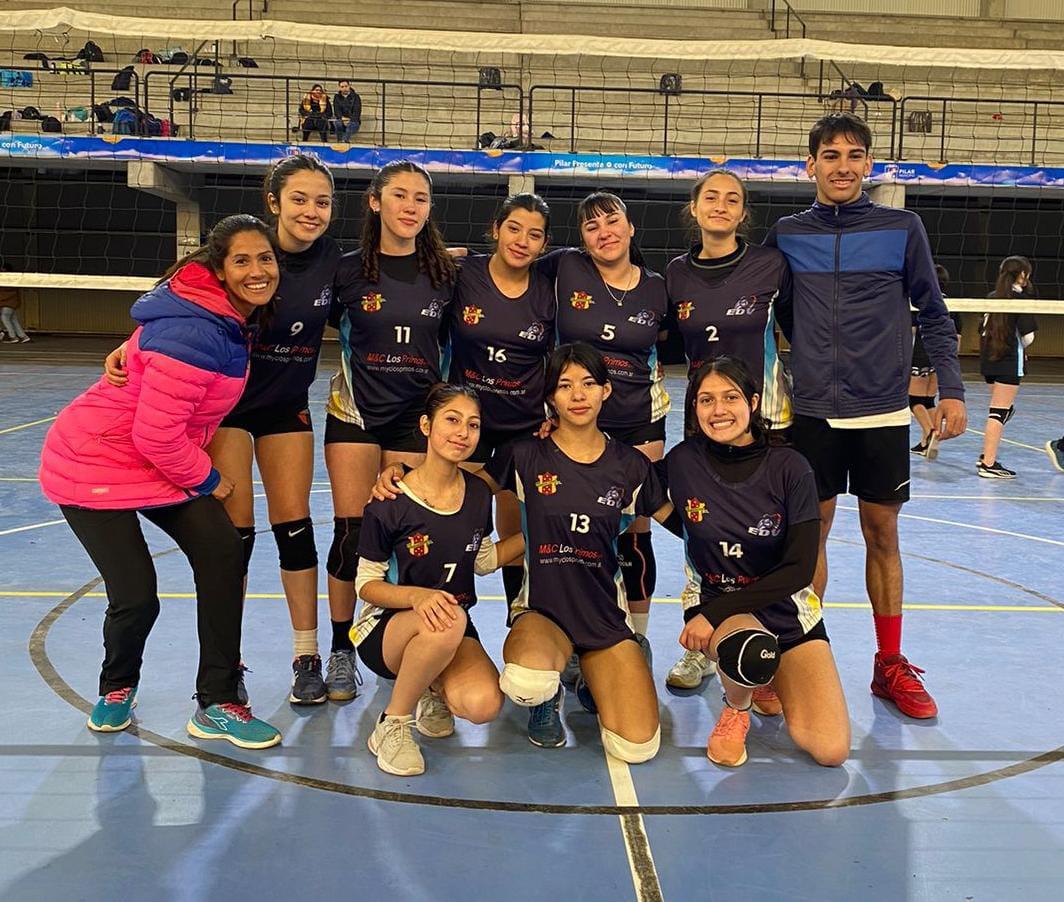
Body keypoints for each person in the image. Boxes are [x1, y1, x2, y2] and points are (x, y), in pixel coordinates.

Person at [106, 154, 345, 706]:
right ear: (274, 201)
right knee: (233, 538)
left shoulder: (335, 262)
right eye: (300, 199)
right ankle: (229, 661)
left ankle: (306, 654)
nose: (311, 211)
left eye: (323, 201)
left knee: (296, 527)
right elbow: (171, 303)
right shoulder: (240, 253)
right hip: (227, 411)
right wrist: (133, 344)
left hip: (285, 408)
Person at [39, 215, 282, 749]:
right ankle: (117, 687)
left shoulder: (211, 313)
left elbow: (151, 354)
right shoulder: (196, 328)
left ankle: (217, 701)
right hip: (92, 463)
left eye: (265, 258)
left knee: (221, 551)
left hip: (151, 464)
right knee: (137, 596)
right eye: (242, 260)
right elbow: (157, 436)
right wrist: (210, 479)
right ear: (218, 270)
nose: (258, 270)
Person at [765, 112, 967, 720]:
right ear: (812, 165)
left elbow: (933, 313)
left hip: (880, 412)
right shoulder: (786, 232)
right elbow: (768, 312)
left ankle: (888, 666)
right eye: (830, 155)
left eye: (855, 155)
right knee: (812, 537)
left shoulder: (902, 227)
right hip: (813, 412)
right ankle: (797, 655)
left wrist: (947, 389)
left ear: (869, 166)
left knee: (883, 535)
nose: (843, 166)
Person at [484, 343, 670, 760]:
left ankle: (591, 670)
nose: (578, 395)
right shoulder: (524, 454)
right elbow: (460, 494)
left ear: (606, 390)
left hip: (604, 616)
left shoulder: (630, 465)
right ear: (551, 396)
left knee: (637, 746)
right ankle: (550, 690)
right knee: (527, 682)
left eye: (588, 384)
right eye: (565, 385)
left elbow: (683, 524)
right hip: (543, 612)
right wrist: (402, 477)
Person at [663, 356, 849, 767]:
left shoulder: (791, 467)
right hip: (718, 601)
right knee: (747, 646)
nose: (718, 410)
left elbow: (801, 569)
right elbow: (628, 482)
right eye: (706, 399)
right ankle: (737, 708)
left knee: (830, 749)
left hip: (787, 609)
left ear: (753, 401)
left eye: (730, 397)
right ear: (693, 408)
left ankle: (765, 677)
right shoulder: (682, 461)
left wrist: (715, 615)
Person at [324, 160, 458, 708]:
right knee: (352, 532)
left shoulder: (448, 274)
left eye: (421, 198)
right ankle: (338, 650)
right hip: (355, 413)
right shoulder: (347, 270)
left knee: (404, 535)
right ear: (375, 203)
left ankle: (401, 645)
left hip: (414, 417)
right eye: (399, 195)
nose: (411, 206)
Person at [664, 168, 793, 693]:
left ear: (743, 214)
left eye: (732, 199)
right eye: (710, 197)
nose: (720, 205)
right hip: (705, 420)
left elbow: (807, 328)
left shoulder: (770, 264)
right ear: (693, 209)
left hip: (771, 419)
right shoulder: (675, 273)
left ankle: (769, 636)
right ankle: (701, 640)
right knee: (703, 529)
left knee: (768, 529)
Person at [353, 384, 523, 776]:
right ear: (426, 425)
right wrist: (417, 597)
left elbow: (482, 561)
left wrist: (540, 535)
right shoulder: (391, 499)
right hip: (386, 629)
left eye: (473, 425)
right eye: (452, 420)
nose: (463, 433)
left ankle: (431, 687)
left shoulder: (479, 494)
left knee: (483, 705)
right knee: (447, 616)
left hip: (448, 622)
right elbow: (366, 584)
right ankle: (392, 724)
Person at [541, 193, 670, 658]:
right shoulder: (565, 268)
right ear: (582, 239)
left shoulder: (658, 286)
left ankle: (637, 634)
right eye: (592, 226)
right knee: (575, 533)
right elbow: (509, 260)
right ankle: (574, 634)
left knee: (635, 531)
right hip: (575, 422)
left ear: (631, 227)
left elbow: (672, 341)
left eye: (612, 221)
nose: (604, 232)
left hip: (639, 422)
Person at [447, 193, 555, 609]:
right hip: (467, 424)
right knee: (456, 522)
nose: (522, 241)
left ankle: (520, 612)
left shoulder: (549, 291)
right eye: (513, 229)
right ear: (495, 229)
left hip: (523, 427)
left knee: (514, 529)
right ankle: (451, 616)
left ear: (544, 245)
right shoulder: (463, 272)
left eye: (534, 235)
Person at [978, 255, 1037, 479]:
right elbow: (1028, 337)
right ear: (1022, 274)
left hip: (988, 361)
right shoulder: (1019, 299)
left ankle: (987, 455)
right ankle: (988, 463)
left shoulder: (992, 297)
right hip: (1008, 361)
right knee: (999, 412)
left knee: (1002, 411)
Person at [909, 264, 962, 459]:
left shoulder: (923, 302)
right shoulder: (954, 304)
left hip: (921, 353)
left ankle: (931, 432)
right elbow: (957, 337)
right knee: (928, 400)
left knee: (912, 400)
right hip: (941, 358)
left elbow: (913, 330)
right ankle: (926, 442)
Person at [0, 259, 30, 342]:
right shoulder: (14, 279)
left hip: (7, 303)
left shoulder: (4, 281)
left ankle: (12, 336)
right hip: (13, 303)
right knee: (13, 319)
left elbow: (4, 293)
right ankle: (23, 336)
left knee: (4, 317)